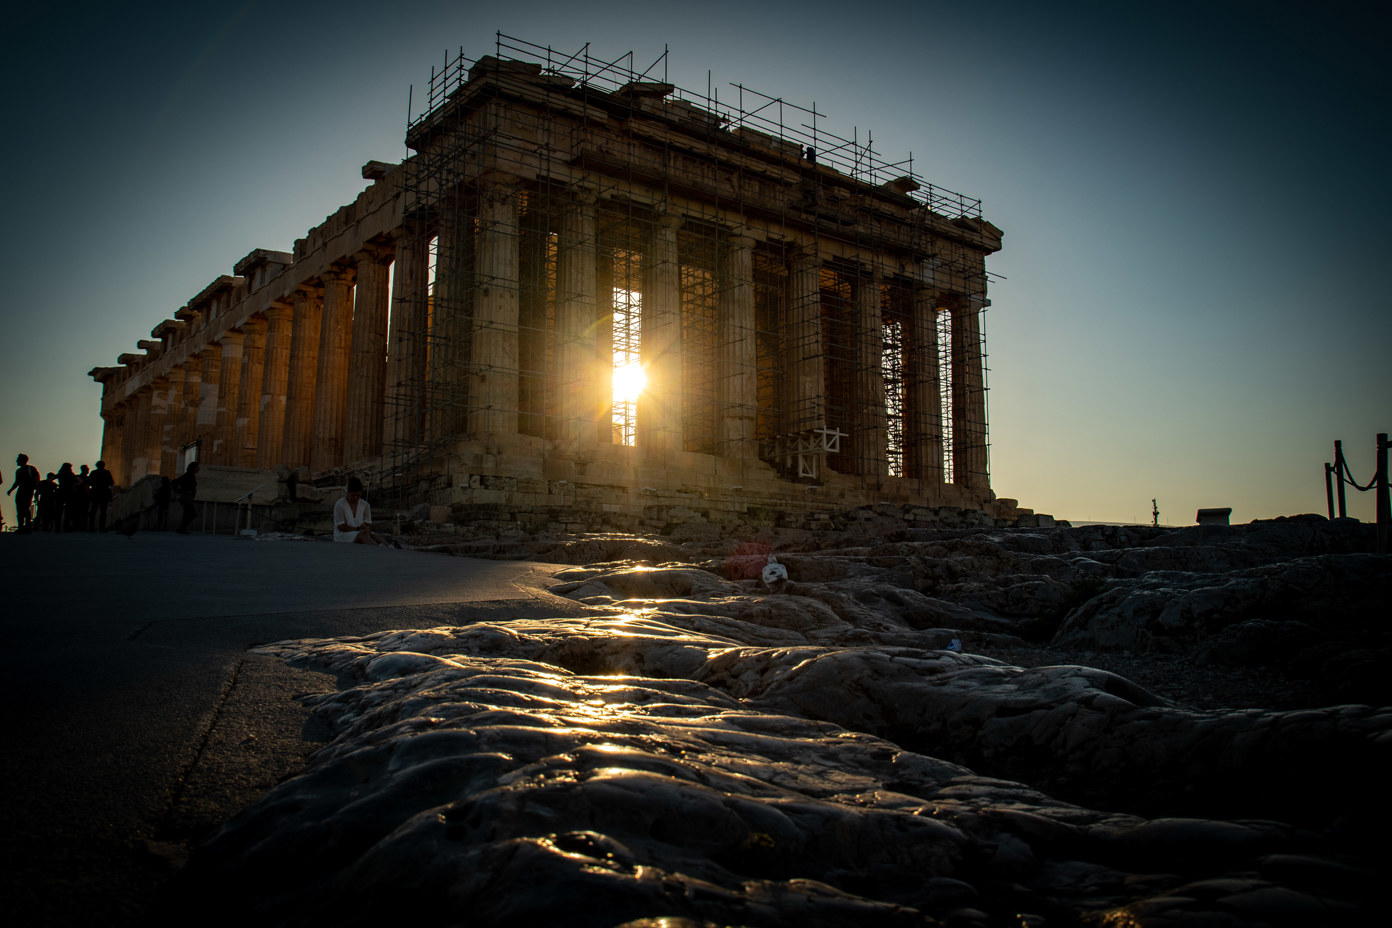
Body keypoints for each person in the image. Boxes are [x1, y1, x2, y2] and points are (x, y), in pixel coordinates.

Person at [333, 477, 386, 545]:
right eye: (353, 495)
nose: (355, 498)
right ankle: (376, 549)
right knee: (363, 535)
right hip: (343, 535)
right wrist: (358, 529)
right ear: (348, 493)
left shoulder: (365, 505)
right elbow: (341, 526)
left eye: (358, 495)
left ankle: (388, 548)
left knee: (372, 535)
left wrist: (365, 528)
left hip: (359, 532)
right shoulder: (340, 504)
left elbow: (368, 524)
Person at [6, 453, 41, 533]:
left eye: (18, 460)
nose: (16, 461)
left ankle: (27, 526)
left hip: (28, 491)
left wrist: (37, 490)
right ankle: (21, 527)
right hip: (20, 491)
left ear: (22, 460)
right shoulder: (18, 471)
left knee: (25, 508)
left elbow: (36, 480)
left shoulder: (30, 469)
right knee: (19, 509)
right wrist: (11, 490)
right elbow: (17, 482)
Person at [88, 460, 115, 532]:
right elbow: (111, 482)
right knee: (103, 512)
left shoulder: (93, 473)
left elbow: (89, 482)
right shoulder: (107, 472)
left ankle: (91, 527)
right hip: (104, 494)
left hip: (95, 494)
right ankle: (102, 527)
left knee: (93, 511)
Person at [172, 462, 200, 534]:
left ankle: (182, 528)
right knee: (192, 513)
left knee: (187, 513)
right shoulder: (188, 475)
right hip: (186, 497)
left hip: (187, 496)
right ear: (193, 468)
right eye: (197, 467)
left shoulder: (191, 475)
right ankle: (182, 528)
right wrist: (182, 491)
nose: (198, 469)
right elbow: (174, 482)